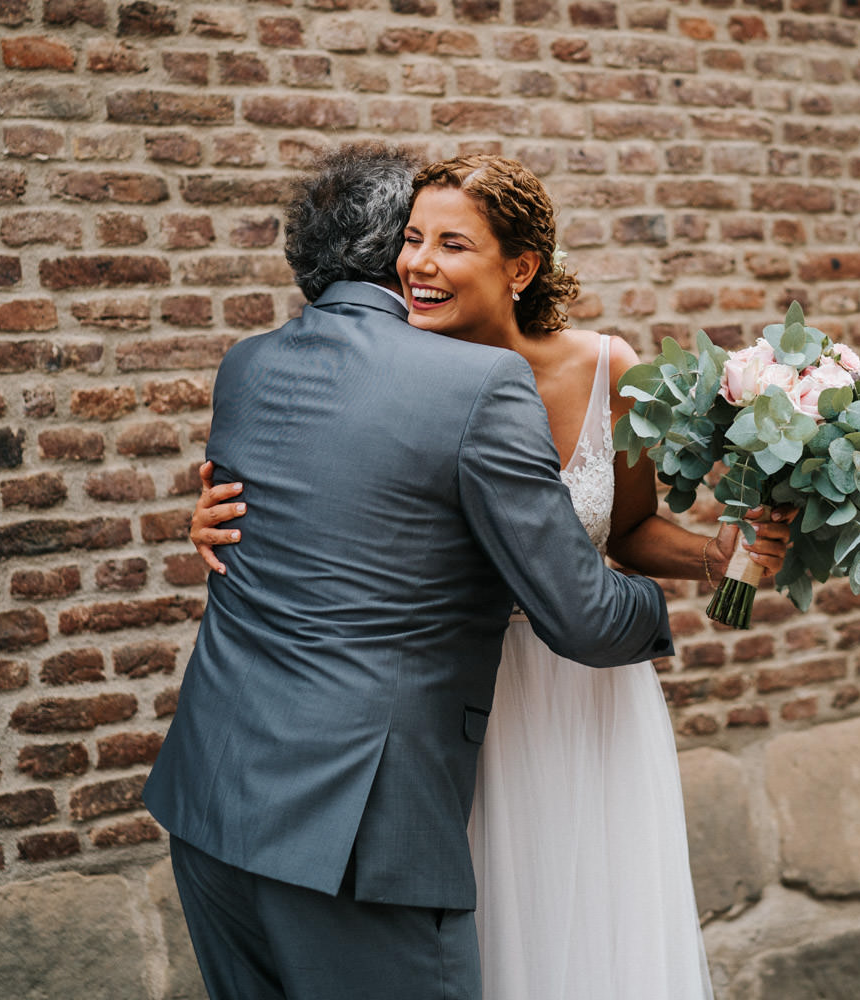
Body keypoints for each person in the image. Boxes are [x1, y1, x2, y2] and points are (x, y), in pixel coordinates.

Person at [189, 151, 793, 999]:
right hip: (436, 704)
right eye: (410, 240)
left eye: (451, 244)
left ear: (521, 267)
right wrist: (216, 519)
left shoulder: (604, 367)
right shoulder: (382, 368)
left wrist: (718, 559)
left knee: (580, 930)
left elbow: (628, 530)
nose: (419, 264)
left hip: (572, 693)